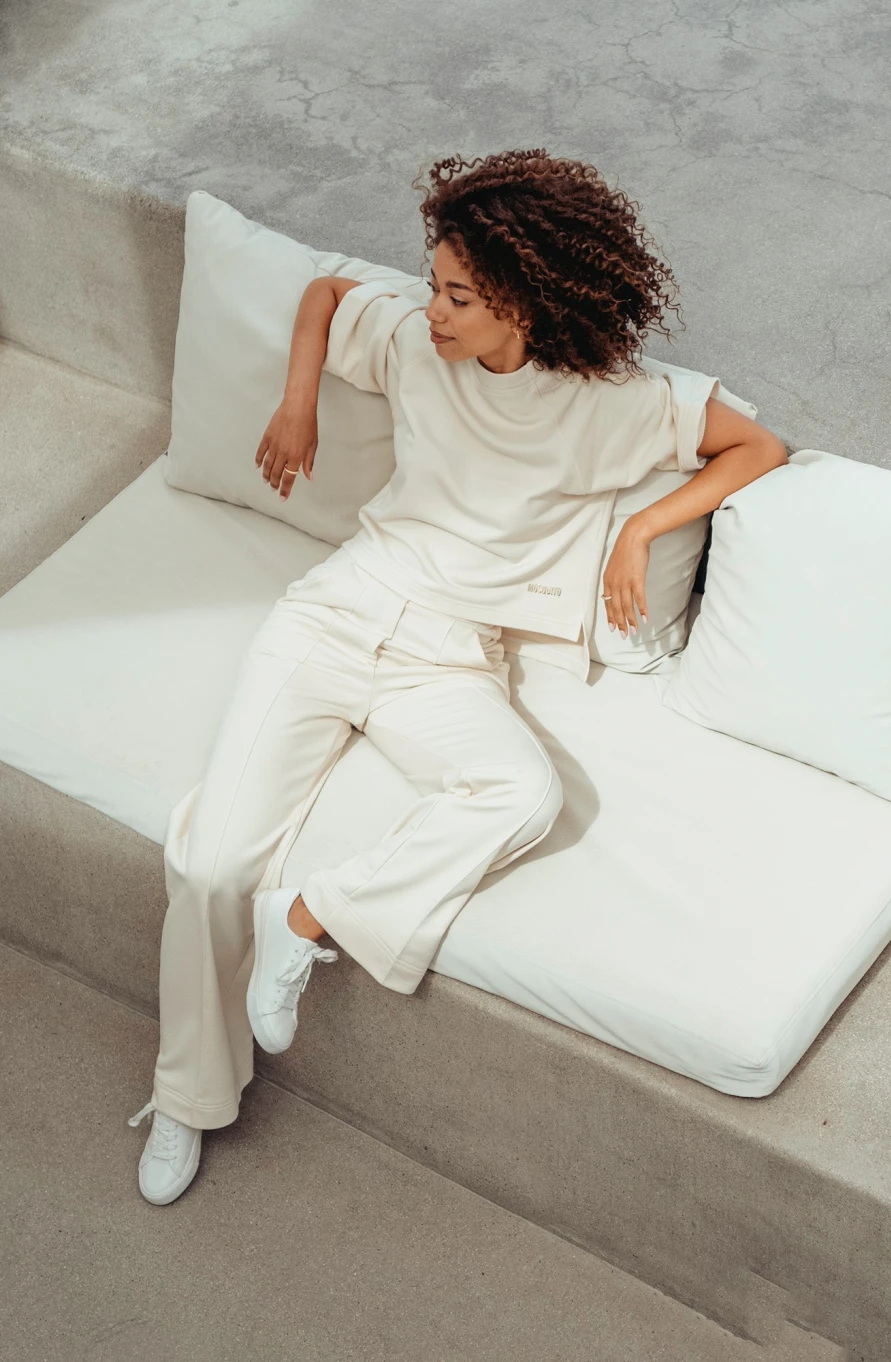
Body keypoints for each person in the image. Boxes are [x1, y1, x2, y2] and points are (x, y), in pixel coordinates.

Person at [128, 147, 788, 1204]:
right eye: (434, 283)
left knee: (523, 792)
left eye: (458, 296)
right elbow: (326, 294)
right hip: (334, 616)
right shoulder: (414, 341)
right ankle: (187, 1098)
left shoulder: (613, 402)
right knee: (210, 865)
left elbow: (757, 447)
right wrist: (298, 404)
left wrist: (642, 529)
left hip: (447, 657)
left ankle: (309, 919)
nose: (431, 308)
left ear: (522, 302)